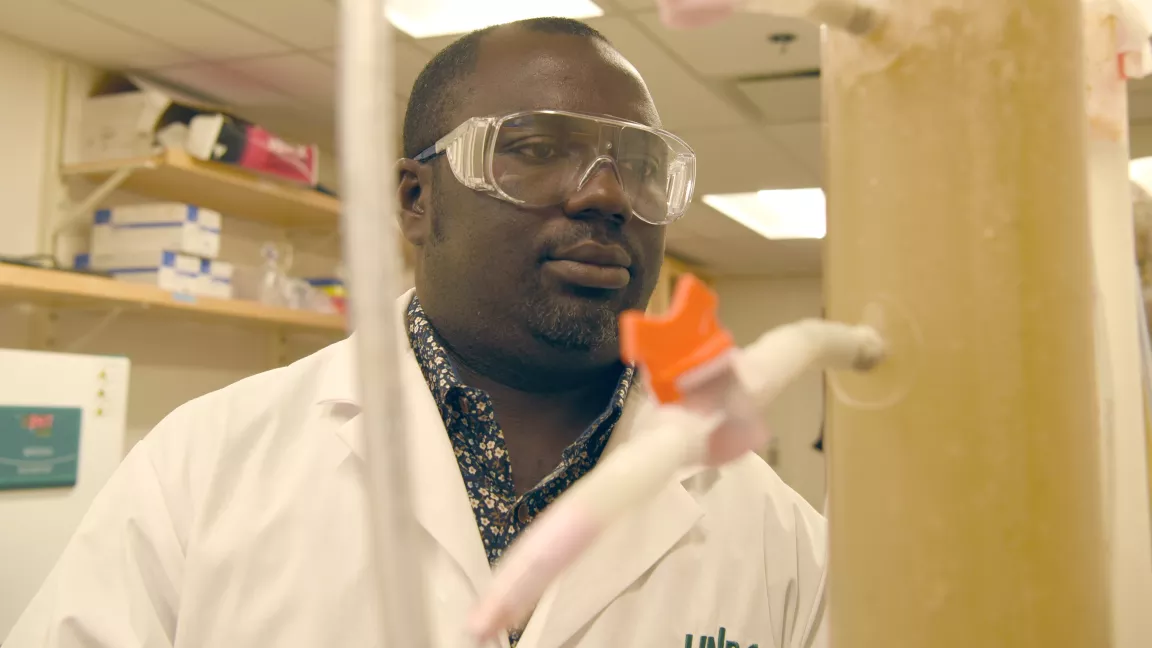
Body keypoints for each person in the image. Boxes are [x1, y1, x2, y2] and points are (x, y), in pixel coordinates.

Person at [5, 18, 828, 648]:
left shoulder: (778, 535)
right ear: (415, 200)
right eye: (538, 148)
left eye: (641, 165)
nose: (607, 193)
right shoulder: (203, 468)